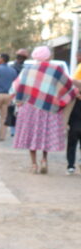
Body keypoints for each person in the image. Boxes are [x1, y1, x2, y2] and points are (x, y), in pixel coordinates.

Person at [12, 45, 78, 173]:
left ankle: (33, 164)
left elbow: (16, 87)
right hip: (49, 107)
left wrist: (18, 100)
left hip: (29, 107)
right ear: (48, 56)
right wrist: (74, 92)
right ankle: (44, 160)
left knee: (31, 134)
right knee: (45, 134)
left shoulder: (27, 70)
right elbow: (68, 86)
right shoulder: (56, 69)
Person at [67, 60, 81, 174]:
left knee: (72, 145)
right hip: (75, 126)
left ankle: (70, 166)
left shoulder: (72, 100)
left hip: (74, 127)